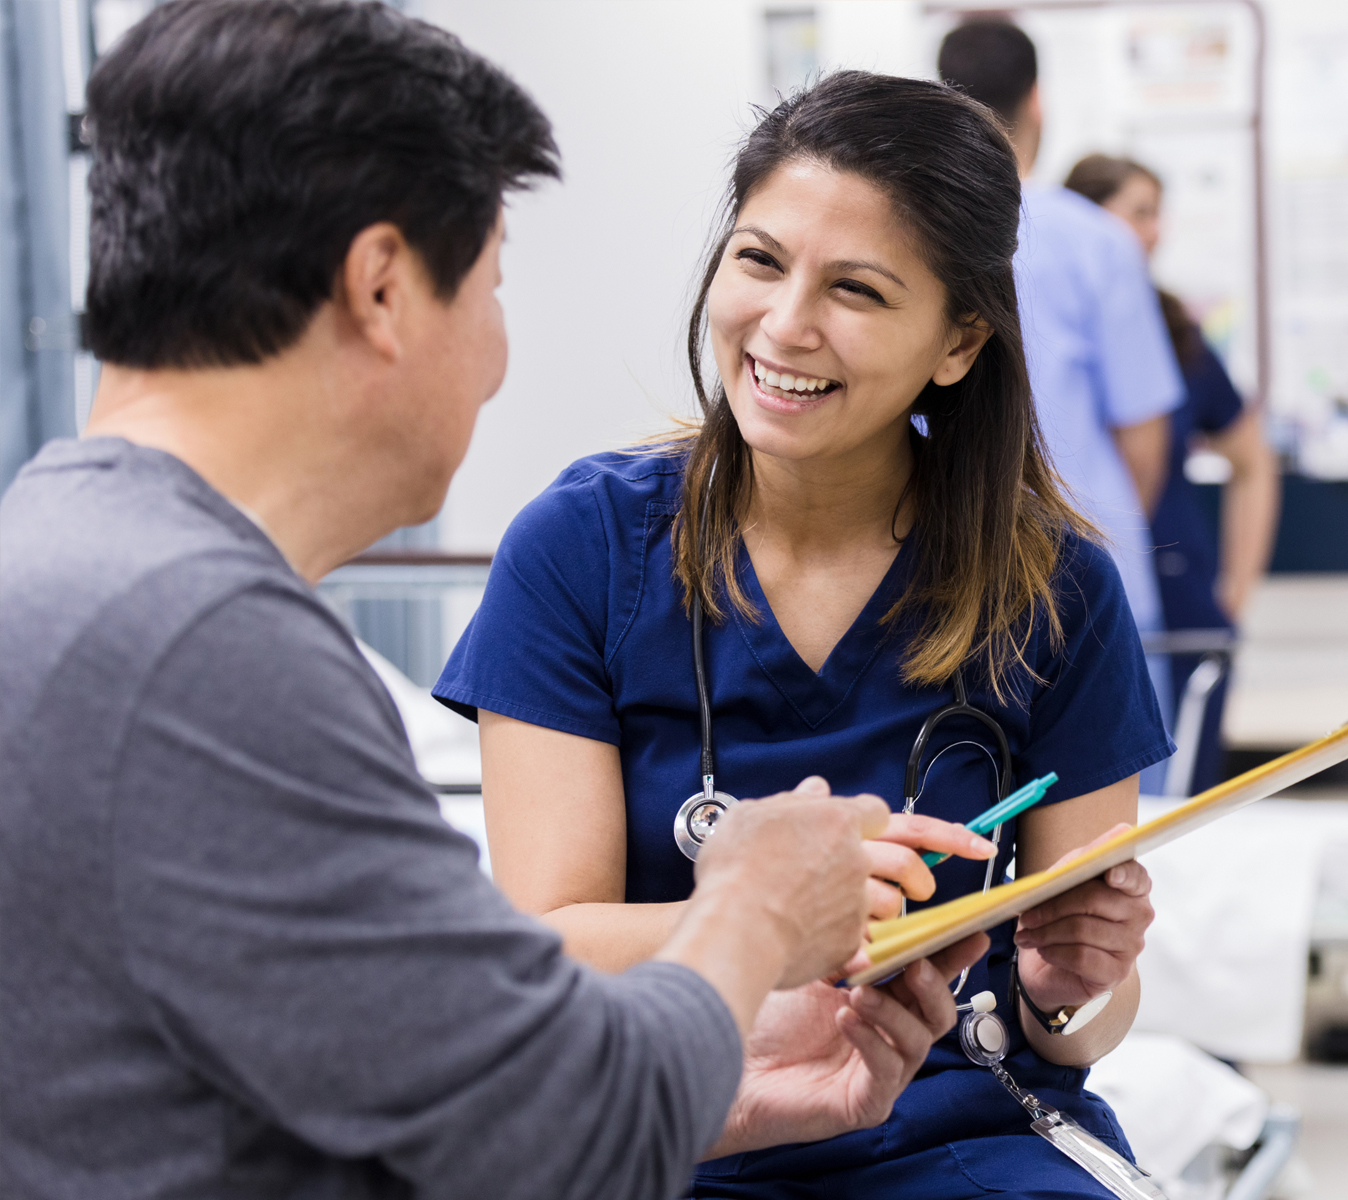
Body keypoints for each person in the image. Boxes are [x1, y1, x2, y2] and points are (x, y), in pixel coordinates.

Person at [0, 5, 984, 1198]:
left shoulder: (59, 558)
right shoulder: (203, 648)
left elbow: (424, 1088)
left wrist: (730, 1079)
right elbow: (544, 1134)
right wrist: (756, 906)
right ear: (381, 289)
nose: (500, 356)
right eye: (492, 287)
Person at [434, 71, 1167, 1199]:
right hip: (675, 1128)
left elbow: (1073, 1027)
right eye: (758, 261)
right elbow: (546, 954)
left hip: (967, 1136)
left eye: (858, 291)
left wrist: (1072, 985)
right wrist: (775, 917)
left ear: (959, 339)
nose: (783, 326)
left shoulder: (1053, 588)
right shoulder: (584, 552)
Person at [938, 20, 1187, 734]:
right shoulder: (1096, 242)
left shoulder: (920, 237)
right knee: (1117, 827)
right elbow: (1143, 437)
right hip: (1091, 580)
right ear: (1037, 102)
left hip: (950, 582)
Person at [1064, 154, 1280, 794]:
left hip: (1179, 601)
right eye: (1138, 212)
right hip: (1083, 598)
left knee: (1183, 804)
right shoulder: (1041, 328)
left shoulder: (1174, 331)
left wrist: (1236, 591)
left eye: (1158, 214)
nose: (1154, 232)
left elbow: (1252, 461)